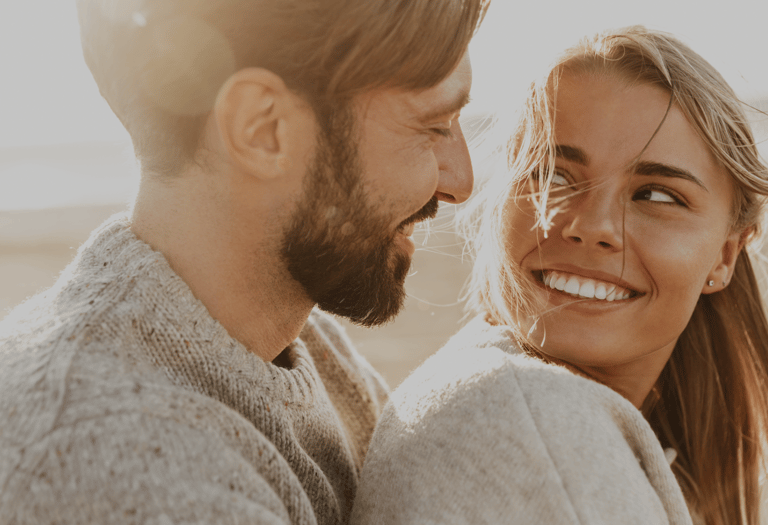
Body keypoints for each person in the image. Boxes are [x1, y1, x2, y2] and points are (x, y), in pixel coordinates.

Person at [0, 0, 489, 522]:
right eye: (432, 126)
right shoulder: (124, 468)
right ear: (263, 128)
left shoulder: (298, 341)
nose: (461, 180)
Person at [351, 26, 768, 525]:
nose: (591, 228)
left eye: (655, 195)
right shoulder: (527, 418)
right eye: (554, 177)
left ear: (724, 256)